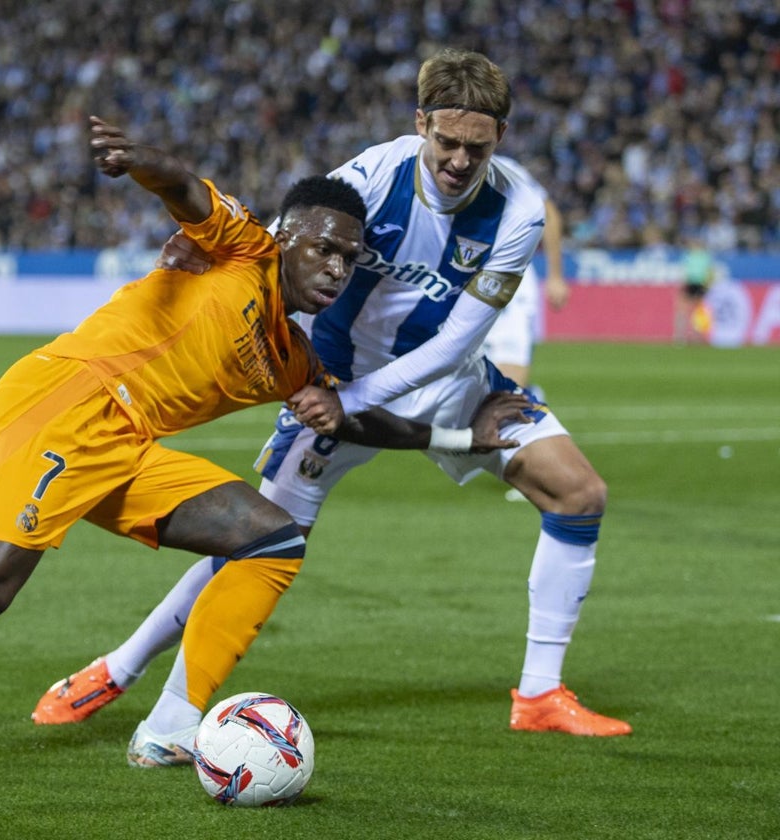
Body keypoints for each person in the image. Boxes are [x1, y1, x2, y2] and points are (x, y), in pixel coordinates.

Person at [0, 115, 529, 768]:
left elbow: (351, 415)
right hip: (68, 401)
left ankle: (172, 726)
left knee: (271, 539)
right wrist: (139, 160)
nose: (334, 266)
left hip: (126, 442)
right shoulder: (240, 247)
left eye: (349, 260)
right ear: (286, 236)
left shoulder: (294, 356)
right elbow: (183, 189)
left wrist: (458, 433)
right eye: (322, 246)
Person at [32, 50, 631, 760]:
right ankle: (117, 669)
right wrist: (211, 253)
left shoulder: (520, 211)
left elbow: (455, 341)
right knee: (256, 544)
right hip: (333, 372)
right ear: (420, 125)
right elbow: (282, 241)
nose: (461, 161)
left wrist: (350, 403)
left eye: (479, 146)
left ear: (501, 134)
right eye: (447, 143)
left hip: (427, 378)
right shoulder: (372, 178)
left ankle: (538, 697)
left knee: (578, 493)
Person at [481, 158, 570, 392]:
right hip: (455, 283)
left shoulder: (504, 169)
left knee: (507, 385)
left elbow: (548, 215)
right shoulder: (422, 166)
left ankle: (520, 404)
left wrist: (556, 276)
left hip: (507, 276)